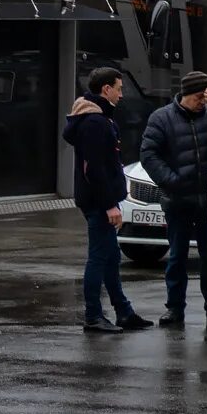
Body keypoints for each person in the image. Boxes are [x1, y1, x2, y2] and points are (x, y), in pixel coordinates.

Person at [65, 67, 152, 333]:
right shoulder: (95, 123)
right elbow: (95, 169)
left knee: (111, 257)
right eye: (119, 88)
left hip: (99, 201)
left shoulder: (98, 119)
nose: (121, 94)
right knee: (99, 257)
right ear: (106, 89)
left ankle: (123, 311)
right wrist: (109, 205)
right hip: (99, 203)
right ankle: (93, 315)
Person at [141, 71, 207, 328]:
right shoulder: (162, 118)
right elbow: (149, 154)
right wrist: (172, 181)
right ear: (186, 95)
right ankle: (174, 308)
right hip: (178, 200)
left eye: (205, 96)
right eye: (199, 97)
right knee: (177, 256)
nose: (202, 102)